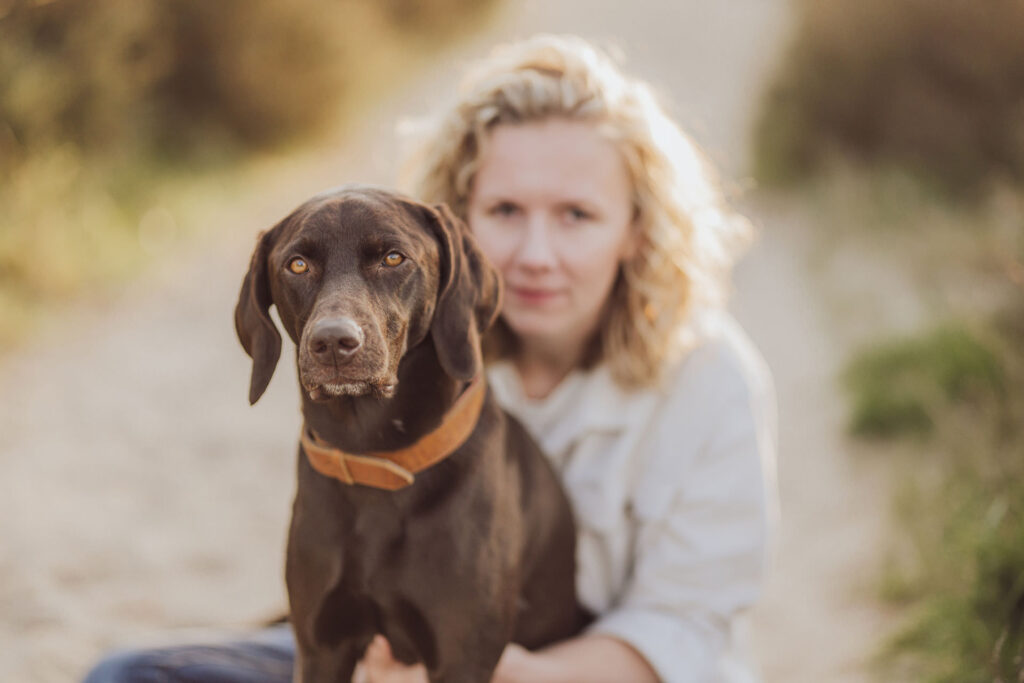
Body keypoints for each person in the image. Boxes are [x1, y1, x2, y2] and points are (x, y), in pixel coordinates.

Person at [84, 34, 777, 683]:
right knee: (127, 674)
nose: (537, 254)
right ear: (462, 218)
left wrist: (507, 672)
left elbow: (688, 627)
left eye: (576, 215)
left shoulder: (709, 377)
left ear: (636, 230)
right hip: (385, 653)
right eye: (506, 209)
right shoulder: (416, 326)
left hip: (581, 672)